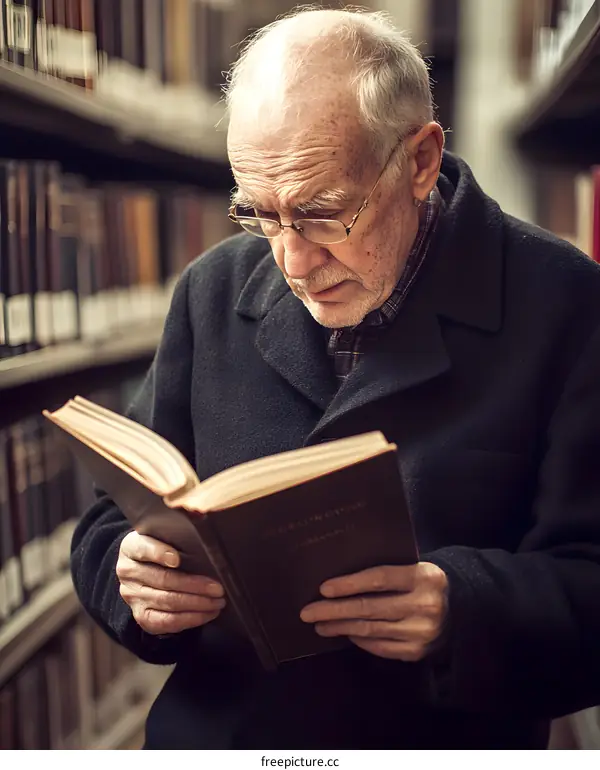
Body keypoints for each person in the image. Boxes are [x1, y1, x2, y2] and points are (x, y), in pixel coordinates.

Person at [71, 7, 600, 750]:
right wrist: (130, 577)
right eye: (258, 214)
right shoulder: (212, 290)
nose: (290, 262)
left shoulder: (565, 302)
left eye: (322, 214)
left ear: (418, 162)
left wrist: (463, 610)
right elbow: (106, 521)